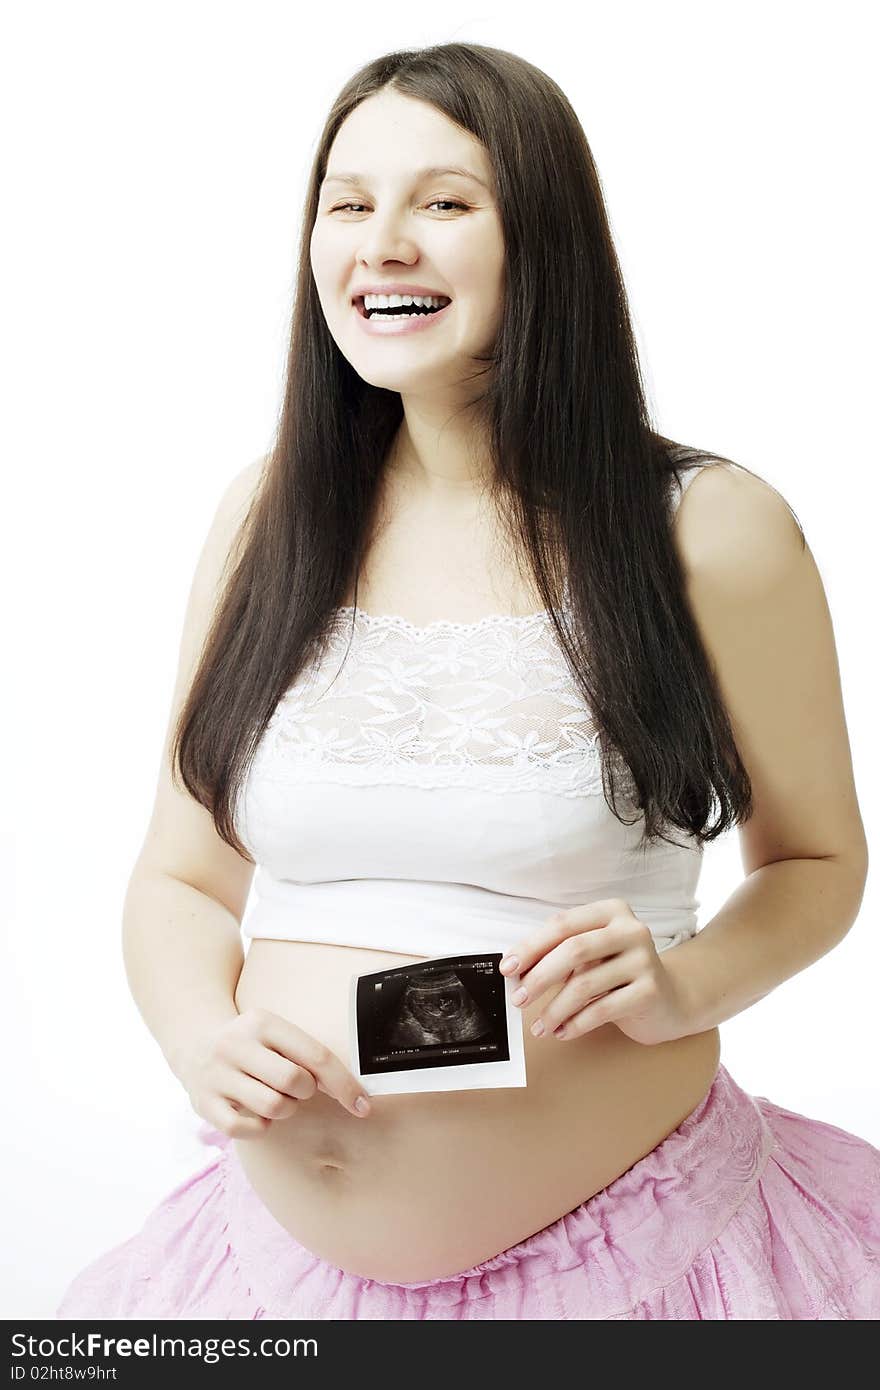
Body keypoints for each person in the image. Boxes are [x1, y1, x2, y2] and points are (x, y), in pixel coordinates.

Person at [56, 42, 879, 1321]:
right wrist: (196, 1038)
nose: (382, 242)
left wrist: (685, 985)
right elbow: (179, 874)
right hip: (271, 1275)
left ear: (540, 241)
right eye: (347, 202)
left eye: (444, 202)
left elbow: (818, 866)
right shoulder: (268, 514)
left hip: (646, 1268)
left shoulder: (708, 530)